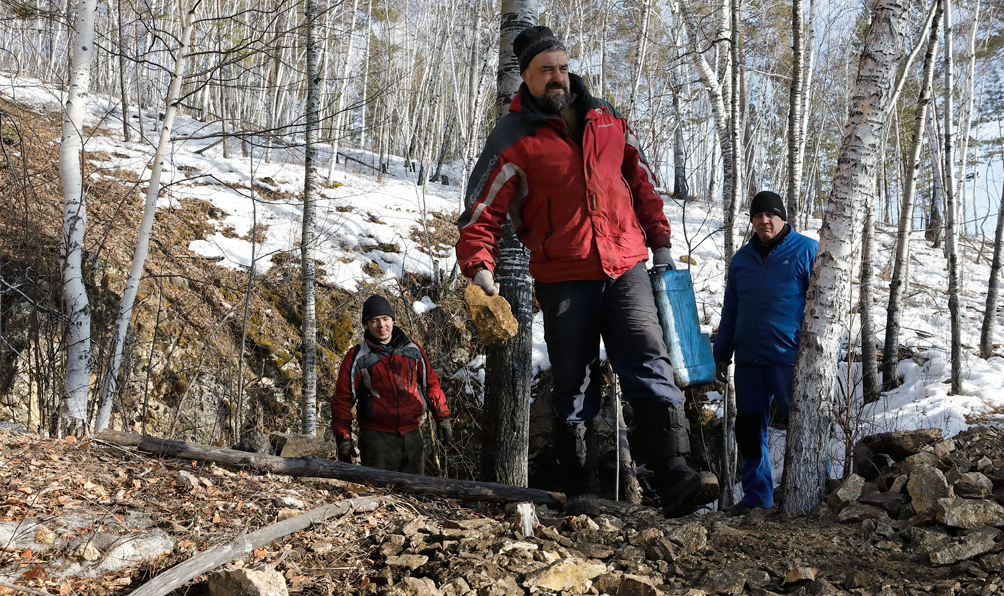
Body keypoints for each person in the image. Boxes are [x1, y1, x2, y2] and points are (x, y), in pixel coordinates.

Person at [457, 25, 718, 517]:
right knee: (574, 380)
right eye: (545, 71)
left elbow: (640, 182)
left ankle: (676, 474)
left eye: (561, 66)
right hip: (563, 277)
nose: (557, 77)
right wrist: (479, 268)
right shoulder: (513, 137)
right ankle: (583, 491)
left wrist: (660, 242)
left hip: (626, 266)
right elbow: (480, 212)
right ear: (526, 78)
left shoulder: (607, 118)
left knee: (649, 358)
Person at [713, 191, 818, 513]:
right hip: (748, 360)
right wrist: (722, 351)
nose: (764, 221)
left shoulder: (807, 250)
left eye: (770, 214)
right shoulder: (742, 259)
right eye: (757, 215)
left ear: (782, 217)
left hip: (790, 359)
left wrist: (824, 356)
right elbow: (731, 309)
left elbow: (827, 307)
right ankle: (757, 498)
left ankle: (816, 493)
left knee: (804, 426)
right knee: (748, 429)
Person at [332, 294, 451, 474]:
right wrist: (343, 438)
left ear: (393, 320)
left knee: (415, 494)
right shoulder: (357, 356)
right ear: (366, 325)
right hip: (376, 440)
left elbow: (431, 385)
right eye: (374, 321)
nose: (381, 325)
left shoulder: (413, 350)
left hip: (412, 436)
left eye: (385, 319)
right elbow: (343, 399)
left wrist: (442, 418)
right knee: (380, 495)